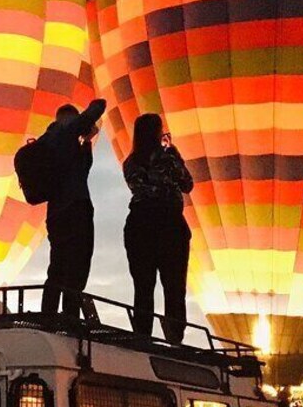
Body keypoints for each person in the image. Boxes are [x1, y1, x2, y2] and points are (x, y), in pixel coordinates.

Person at [122, 113, 194, 344]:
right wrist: (174, 154)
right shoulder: (168, 159)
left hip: (140, 226)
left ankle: (142, 338)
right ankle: (175, 339)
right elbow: (187, 184)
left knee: (143, 287)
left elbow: (141, 187)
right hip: (169, 225)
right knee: (174, 287)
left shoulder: (131, 163)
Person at [40, 99, 107, 317]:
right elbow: (98, 107)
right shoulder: (66, 131)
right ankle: (70, 316)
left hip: (56, 212)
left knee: (58, 265)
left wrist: (86, 143)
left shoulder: (47, 142)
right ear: (69, 118)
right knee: (77, 266)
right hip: (76, 208)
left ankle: (48, 315)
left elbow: (82, 169)